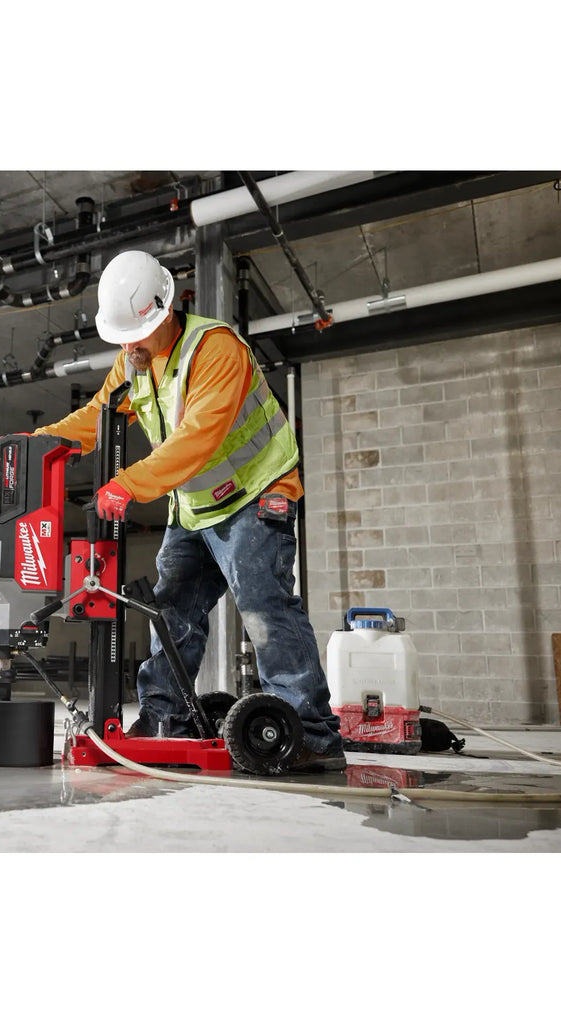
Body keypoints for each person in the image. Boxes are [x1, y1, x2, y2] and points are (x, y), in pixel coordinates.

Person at [33, 249, 345, 771]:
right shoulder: (134, 360)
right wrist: (40, 442)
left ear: (165, 310)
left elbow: (199, 438)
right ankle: (164, 718)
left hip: (254, 492)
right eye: (122, 336)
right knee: (170, 609)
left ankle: (311, 733)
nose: (128, 345)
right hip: (195, 508)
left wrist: (128, 485)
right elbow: (98, 416)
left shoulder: (215, 349)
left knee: (263, 605)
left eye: (137, 333)